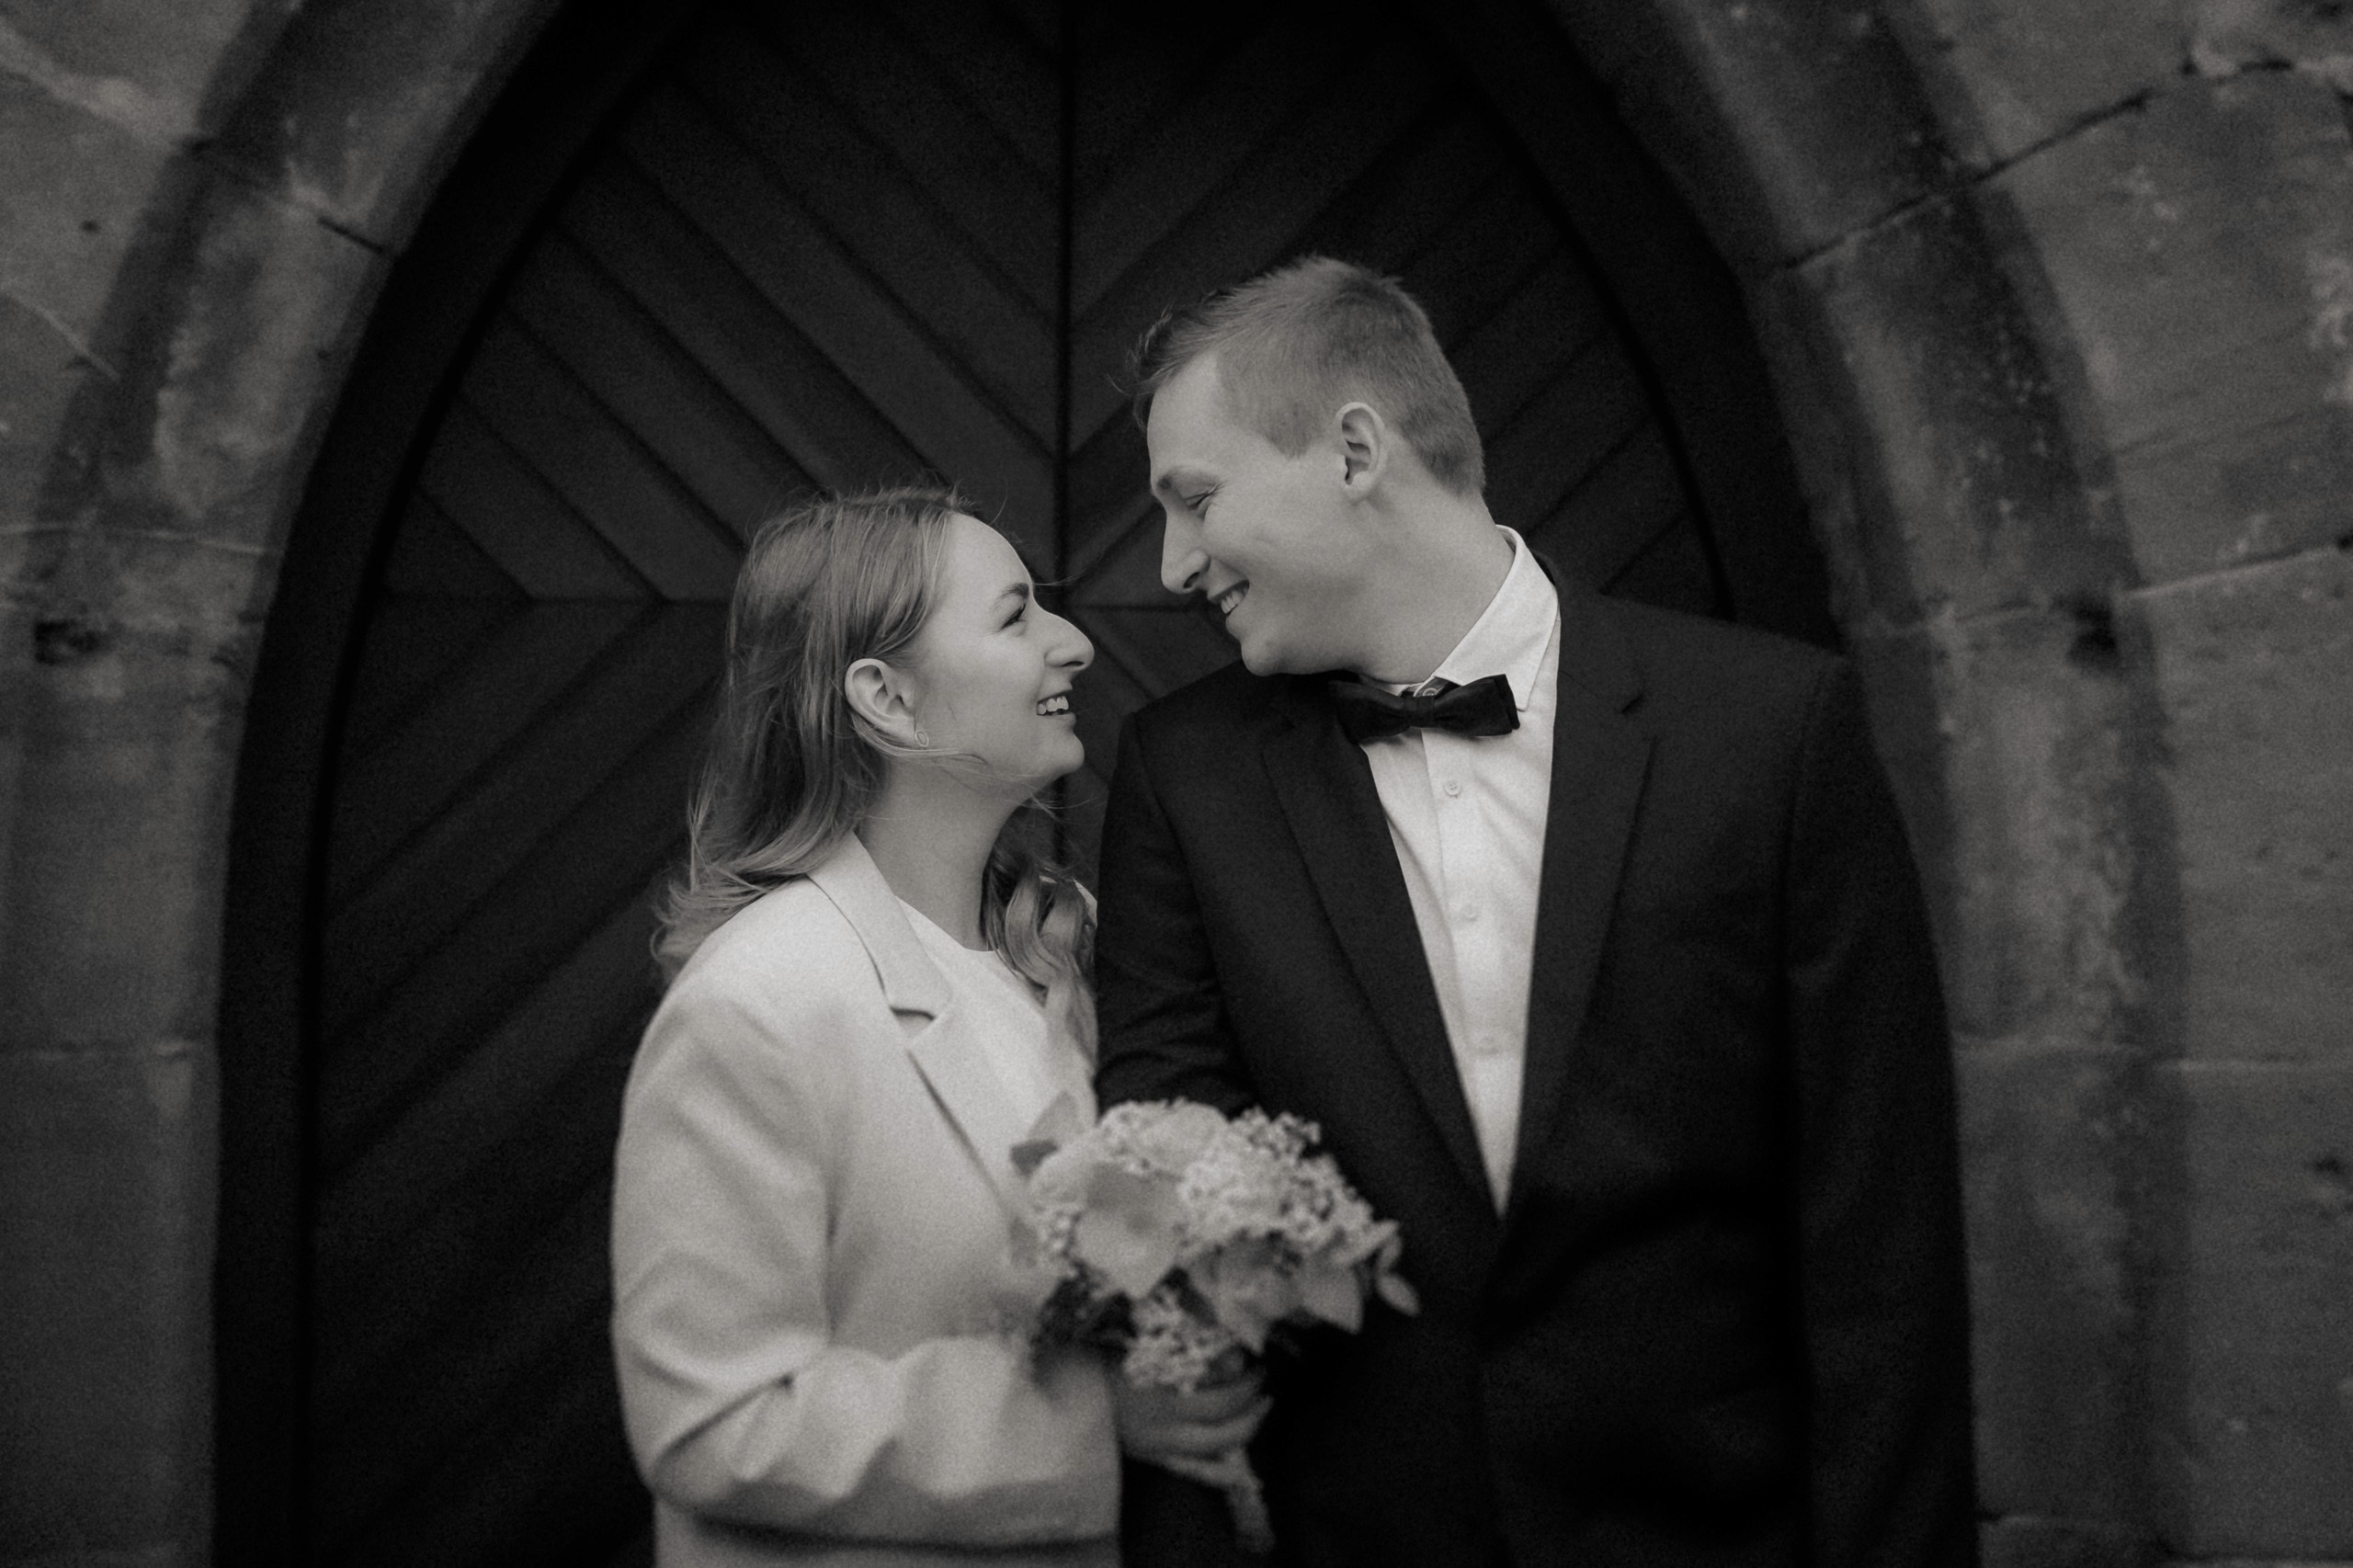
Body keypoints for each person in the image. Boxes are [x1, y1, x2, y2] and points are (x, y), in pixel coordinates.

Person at [1093, 258, 1979, 1567]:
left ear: (1354, 452)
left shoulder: (1769, 730)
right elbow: (1165, 1149)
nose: (1175, 563)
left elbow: (1878, 1230)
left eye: (1196, 498)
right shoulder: (1187, 774)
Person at [610, 486, 1121, 1567]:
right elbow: (714, 1423)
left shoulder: (1066, 950)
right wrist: (1099, 1419)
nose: (1072, 642)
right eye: (1016, 614)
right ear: (888, 698)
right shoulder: (760, 1003)